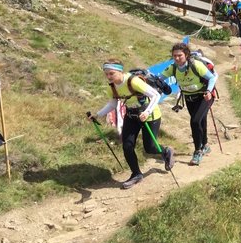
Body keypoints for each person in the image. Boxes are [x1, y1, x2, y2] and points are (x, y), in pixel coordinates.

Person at [91, 59, 174, 189]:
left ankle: (166, 151)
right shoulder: (112, 86)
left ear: (120, 71)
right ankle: (136, 174)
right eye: (106, 74)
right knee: (127, 146)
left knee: (150, 147)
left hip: (150, 116)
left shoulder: (133, 81)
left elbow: (155, 95)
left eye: (111, 73)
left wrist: (147, 112)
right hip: (131, 116)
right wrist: (97, 115)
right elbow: (113, 103)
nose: (108, 76)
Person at [163, 42, 218, 166]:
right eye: (174, 56)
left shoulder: (196, 65)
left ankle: (197, 151)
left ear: (186, 55)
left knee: (194, 121)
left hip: (204, 96)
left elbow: (212, 78)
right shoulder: (173, 67)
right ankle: (205, 145)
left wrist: (209, 91)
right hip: (189, 98)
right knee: (200, 120)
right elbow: (160, 77)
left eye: (180, 55)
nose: (177, 58)